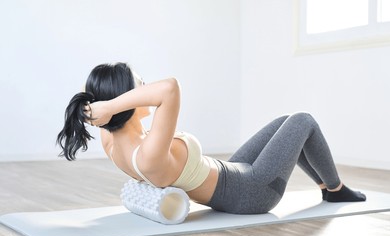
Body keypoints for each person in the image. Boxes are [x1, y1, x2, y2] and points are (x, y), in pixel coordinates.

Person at [57, 62, 366, 214]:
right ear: (126, 100)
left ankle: (327, 187)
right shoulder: (147, 153)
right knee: (303, 120)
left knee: (287, 124)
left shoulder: (113, 142)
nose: (146, 89)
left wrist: (106, 106)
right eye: (140, 87)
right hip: (253, 192)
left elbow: (111, 106)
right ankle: (336, 189)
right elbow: (170, 88)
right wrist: (111, 104)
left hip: (232, 172)